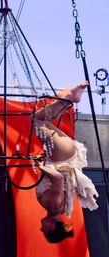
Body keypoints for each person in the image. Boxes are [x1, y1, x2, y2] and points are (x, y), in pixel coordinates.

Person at [32, 81, 99, 243]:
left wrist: (45, 164)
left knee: (42, 121)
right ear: (51, 227)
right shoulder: (53, 206)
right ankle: (70, 98)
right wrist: (41, 167)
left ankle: (70, 99)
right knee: (36, 121)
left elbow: (56, 178)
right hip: (63, 155)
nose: (41, 228)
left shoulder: (57, 208)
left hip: (63, 155)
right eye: (44, 231)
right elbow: (58, 178)